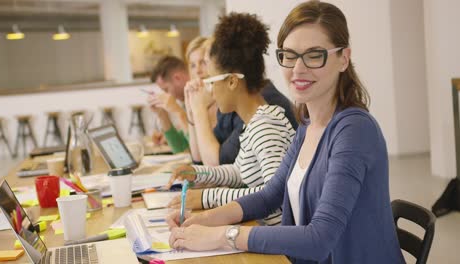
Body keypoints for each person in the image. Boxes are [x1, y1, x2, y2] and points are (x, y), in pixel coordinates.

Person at [166, 1, 406, 263]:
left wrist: (222, 235)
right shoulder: (307, 124)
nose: (298, 69)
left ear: (343, 58)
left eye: (315, 55)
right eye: (289, 55)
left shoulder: (354, 130)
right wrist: (202, 219)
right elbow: (270, 195)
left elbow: (320, 238)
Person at [166, 12, 296, 226]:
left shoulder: (266, 126)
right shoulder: (255, 121)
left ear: (233, 82)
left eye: (212, 81)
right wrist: (198, 173)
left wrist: (206, 198)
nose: (210, 90)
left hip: (276, 249)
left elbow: (275, 197)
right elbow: (239, 172)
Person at [183, 37, 219, 164]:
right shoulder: (200, 102)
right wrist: (190, 109)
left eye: (202, 62)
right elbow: (197, 158)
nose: (198, 70)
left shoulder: (225, 103)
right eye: (192, 65)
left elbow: (214, 165)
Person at [148, 56, 190, 153]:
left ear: (177, 78)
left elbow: (197, 152)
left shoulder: (203, 102)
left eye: (166, 89)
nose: (167, 95)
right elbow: (180, 148)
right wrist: (162, 115)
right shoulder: (186, 103)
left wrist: (177, 111)